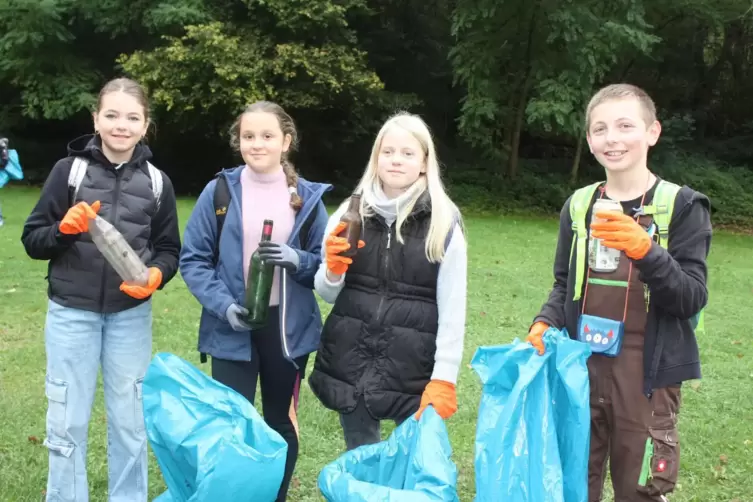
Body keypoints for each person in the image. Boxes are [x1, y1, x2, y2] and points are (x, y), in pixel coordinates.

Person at [527, 83, 712, 501]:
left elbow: (690, 298)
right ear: (590, 141)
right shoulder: (578, 205)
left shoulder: (682, 206)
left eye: (625, 125)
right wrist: (543, 322)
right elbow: (564, 285)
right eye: (600, 129)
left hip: (646, 377)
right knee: (576, 485)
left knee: (639, 491)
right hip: (581, 369)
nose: (612, 138)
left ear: (652, 132)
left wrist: (646, 250)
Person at [20, 77, 181, 502]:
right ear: (96, 119)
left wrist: (156, 277)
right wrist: (63, 231)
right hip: (72, 315)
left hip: (131, 318)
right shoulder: (67, 171)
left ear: (145, 125)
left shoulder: (157, 183)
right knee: (67, 419)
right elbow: (33, 239)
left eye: (132, 117)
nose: (121, 125)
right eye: (111, 115)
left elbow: (169, 251)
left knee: (130, 421)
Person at [179, 101, 331, 501]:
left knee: (281, 424)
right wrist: (224, 306)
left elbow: (327, 264)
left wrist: (300, 260)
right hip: (232, 327)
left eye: (267, 136)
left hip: (288, 333)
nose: (257, 144)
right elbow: (193, 260)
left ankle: (275, 496)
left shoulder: (308, 198)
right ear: (238, 141)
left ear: (286, 141)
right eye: (249, 136)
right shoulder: (220, 192)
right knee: (232, 426)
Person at [308, 112, 467, 451]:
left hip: (415, 364)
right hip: (354, 358)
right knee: (361, 458)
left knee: (412, 463)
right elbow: (325, 292)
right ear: (376, 158)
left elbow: (454, 307)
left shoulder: (444, 220)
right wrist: (333, 269)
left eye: (408, 153)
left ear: (424, 163)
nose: (396, 160)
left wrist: (444, 377)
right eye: (388, 151)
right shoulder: (350, 213)